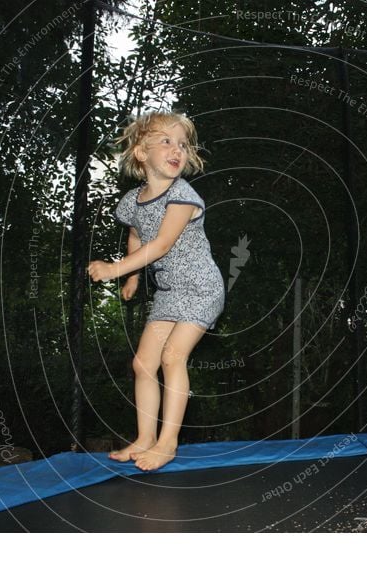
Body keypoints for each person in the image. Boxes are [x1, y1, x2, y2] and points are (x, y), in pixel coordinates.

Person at [87, 111, 225, 471]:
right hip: (168, 292)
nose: (176, 148)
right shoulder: (132, 201)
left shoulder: (183, 195)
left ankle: (167, 443)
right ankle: (145, 437)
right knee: (143, 363)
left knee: (172, 358)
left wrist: (115, 269)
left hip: (201, 289)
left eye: (181, 143)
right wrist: (132, 277)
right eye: (165, 140)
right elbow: (138, 233)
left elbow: (161, 244)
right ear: (140, 153)